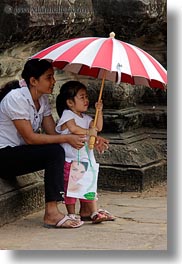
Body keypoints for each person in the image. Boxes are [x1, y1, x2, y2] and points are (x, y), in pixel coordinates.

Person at [0, 59, 109, 229]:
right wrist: (67, 138)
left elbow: (54, 133)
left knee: (62, 150)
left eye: (53, 77)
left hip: (21, 152)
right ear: (34, 81)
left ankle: (86, 205)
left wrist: (91, 137)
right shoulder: (16, 98)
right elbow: (30, 138)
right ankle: (51, 212)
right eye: (49, 77)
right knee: (56, 151)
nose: (54, 81)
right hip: (5, 156)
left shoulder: (41, 100)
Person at [55, 80, 115, 223]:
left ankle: (93, 211)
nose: (86, 100)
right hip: (72, 159)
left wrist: (99, 111)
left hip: (86, 158)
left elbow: (98, 127)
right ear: (70, 102)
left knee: (89, 184)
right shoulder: (68, 115)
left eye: (86, 97)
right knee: (72, 188)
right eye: (81, 97)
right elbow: (74, 129)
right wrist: (89, 132)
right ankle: (71, 213)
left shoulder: (86, 118)